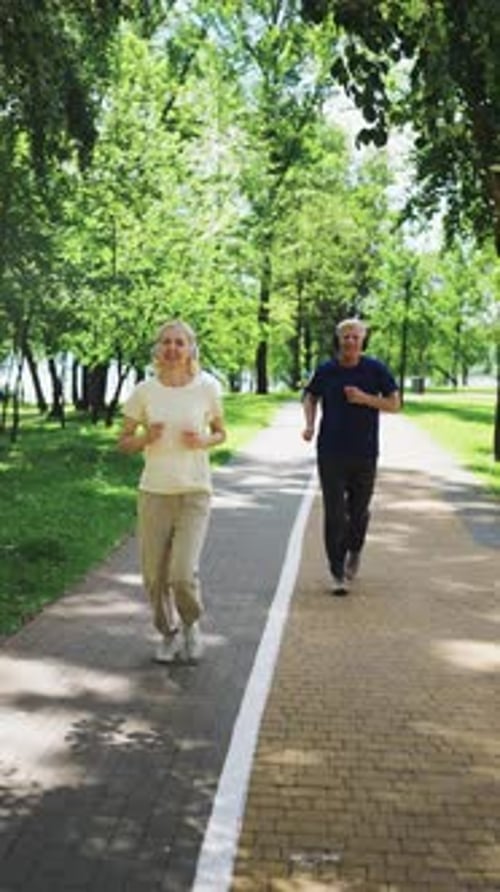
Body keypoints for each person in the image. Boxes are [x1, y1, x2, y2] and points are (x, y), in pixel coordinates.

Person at [118, 319, 226, 662]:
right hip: (154, 493)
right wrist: (145, 438)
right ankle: (168, 633)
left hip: (195, 492)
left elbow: (221, 432)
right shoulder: (144, 391)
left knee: (182, 573)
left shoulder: (207, 387)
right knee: (153, 577)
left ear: (191, 348)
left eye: (180, 342)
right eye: (166, 342)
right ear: (157, 349)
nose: (172, 348)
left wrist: (204, 440)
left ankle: (192, 625)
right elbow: (123, 441)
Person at [302, 318, 400, 595]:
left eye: (355, 337)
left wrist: (365, 398)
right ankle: (336, 572)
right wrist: (309, 424)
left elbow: (395, 404)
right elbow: (309, 396)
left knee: (358, 512)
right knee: (334, 513)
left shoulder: (375, 369)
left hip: (365, 452)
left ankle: (354, 550)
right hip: (330, 452)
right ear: (338, 339)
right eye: (345, 337)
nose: (350, 342)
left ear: (363, 340)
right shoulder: (326, 370)